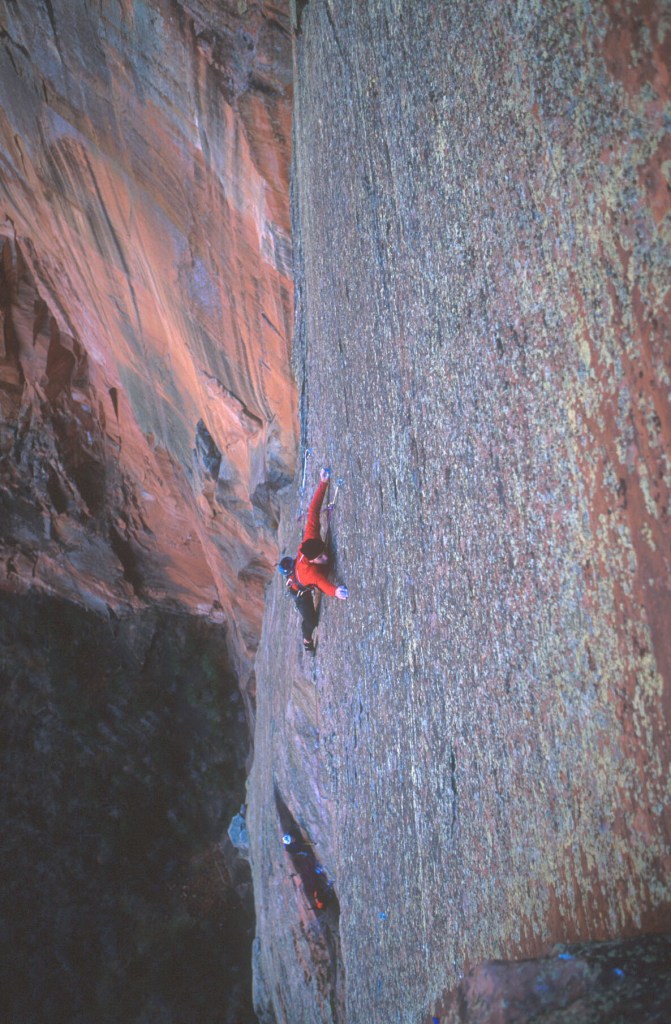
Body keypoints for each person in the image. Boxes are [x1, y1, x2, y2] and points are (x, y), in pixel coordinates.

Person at [279, 467, 348, 652]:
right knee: (312, 621)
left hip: (302, 575)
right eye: (320, 557)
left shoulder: (311, 535)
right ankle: (307, 641)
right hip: (300, 591)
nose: (325, 557)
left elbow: (313, 510)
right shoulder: (309, 572)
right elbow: (321, 583)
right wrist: (336, 591)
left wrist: (323, 483)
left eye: (323, 552)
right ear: (311, 561)